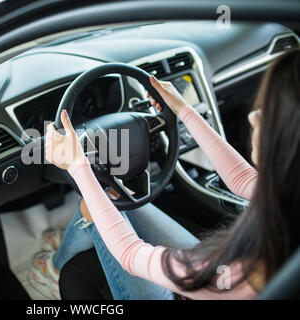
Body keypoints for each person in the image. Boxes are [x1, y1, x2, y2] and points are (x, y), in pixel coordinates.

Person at [33, 49, 300, 299]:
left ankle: (53, 272)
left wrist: (78, 165)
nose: (254, 116)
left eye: (271, 115)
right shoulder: (288, 195)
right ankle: (77, 240)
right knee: (107, 199)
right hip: (211, 273)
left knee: (95, 201)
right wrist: (184, 110)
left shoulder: (249, 273)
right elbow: (244, 180)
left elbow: (131, 254)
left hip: (200, 281)